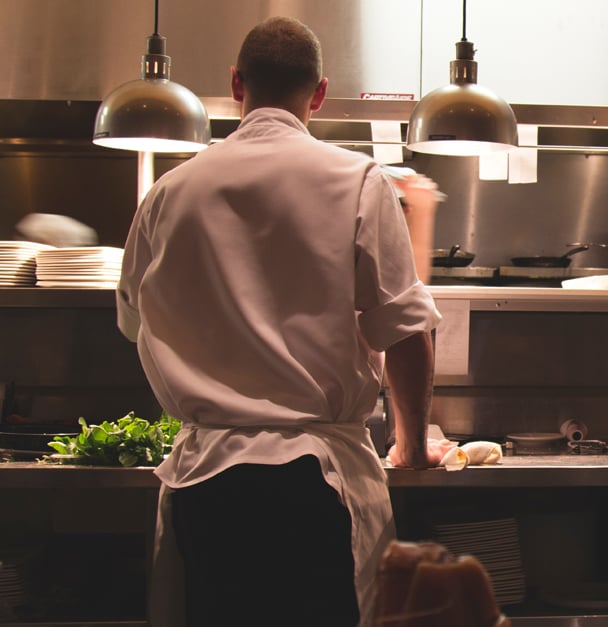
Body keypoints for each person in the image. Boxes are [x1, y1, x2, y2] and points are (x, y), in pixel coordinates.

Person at [115, 17, 446, 627]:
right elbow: (404, 329)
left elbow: (135, 323)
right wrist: (412, 443)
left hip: (204, 486)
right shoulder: (356, 179)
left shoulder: (168, 191)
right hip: (314, 485)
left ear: (237, 83)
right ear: (318, 93)